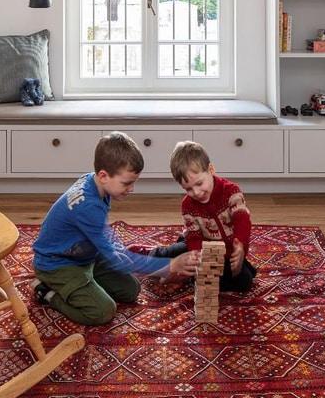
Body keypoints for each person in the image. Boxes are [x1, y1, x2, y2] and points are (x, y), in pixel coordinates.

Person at [31, 132, 199, 325]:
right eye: (127, 183)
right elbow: (118, 260)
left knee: (131, 290)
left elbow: (105, 236)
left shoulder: (96, 183)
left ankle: (87, 282)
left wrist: (120, 252)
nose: (132, 189)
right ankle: (47, 293)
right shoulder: (88, 206)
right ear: (103, 175)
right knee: (103, 311)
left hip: (85, 254)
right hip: (58, 264)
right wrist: (168, 267)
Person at [149, 141, 257, 293]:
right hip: (200, 247)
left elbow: (242, 219)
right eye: (189, 189)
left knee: (244, 282)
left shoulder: (231, 192)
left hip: (227, 252)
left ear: (211, 170)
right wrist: (199, 258)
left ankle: (187, 276)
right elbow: (194, 237)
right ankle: (150, 254)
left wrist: (240, 245)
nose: (197, 192)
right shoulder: (187, 205)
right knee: (176, 253)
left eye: (199, 183)